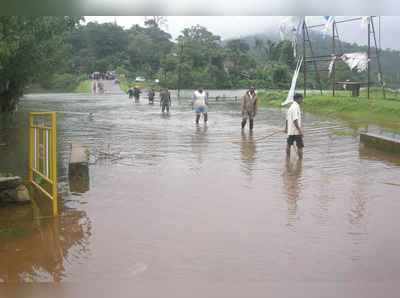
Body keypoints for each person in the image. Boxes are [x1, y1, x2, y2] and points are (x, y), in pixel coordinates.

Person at [285, 93, 304, 159]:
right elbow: (295, 120)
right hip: (296, 131)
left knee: (288, 145)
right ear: (298, 99)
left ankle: (287, 159)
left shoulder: (290, 107)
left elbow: (287, 119)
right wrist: (300, 130)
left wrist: (286, 128)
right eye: (301, 99)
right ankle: (300, 161)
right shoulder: (296, 107)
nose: (302, 100)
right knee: (300, 146)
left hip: (290, 131)